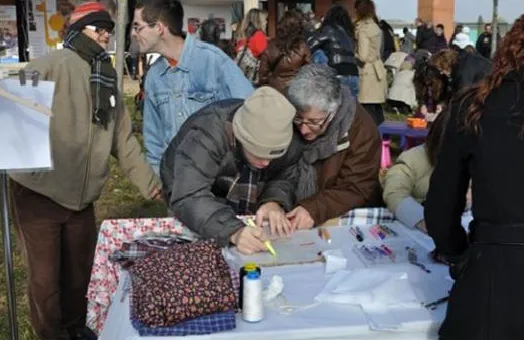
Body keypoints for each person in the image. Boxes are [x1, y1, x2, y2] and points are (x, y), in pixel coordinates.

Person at [8, 3, 162, 339]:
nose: (105, 35)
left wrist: (150, 184)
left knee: (79, 275)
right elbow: (8, 109)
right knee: (45, 281)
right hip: (39, 195)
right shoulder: (51, 65)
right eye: (97, 28)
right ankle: (51, 335)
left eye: (108, 30)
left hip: (81, 199)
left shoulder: (106, 79)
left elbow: (123, 141)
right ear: (78, 31)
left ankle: (76, 330)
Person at [425, 7, 524, 340]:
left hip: (493, 284)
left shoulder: (475, 107)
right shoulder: (473, 106)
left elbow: (440, 208)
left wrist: (461, 256)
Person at [160, 87, 301, 254]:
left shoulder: (284, 131)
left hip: (239, 189)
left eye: (272, 157)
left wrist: (274, 201)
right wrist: (233, 231)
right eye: (258, 153)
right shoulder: (208, 132)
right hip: (185, 186)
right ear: (241, 137)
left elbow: (286, 173)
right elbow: (188, 196)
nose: (266, 162)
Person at [132, 0, 253, 175]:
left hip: (217, 184)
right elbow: (154, 140)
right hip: (178, 187)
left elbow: (250, 111)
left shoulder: (213, 61)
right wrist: (163, 180)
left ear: (159, 28)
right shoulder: (154, 77)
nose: (134, 34)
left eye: (138, 27)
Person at [285, 65, 382, 230]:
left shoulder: (361, 129)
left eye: (314, 122)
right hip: (290, 215)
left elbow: (356, 187)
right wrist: (274, 202)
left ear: (333, 111)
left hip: (340, 219)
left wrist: (313, 209)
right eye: (298, 119)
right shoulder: (285, 110)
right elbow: (277, 172)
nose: (304, 129)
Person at [307, 5, 359, 97]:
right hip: (354, 74)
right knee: (350, 109)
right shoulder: (349, 34)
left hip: (337, 73)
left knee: (335, 109)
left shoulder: (329, 29)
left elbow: (310, 45)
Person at [259, 9, 311, 94]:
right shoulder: (302, 47)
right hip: (296, 91)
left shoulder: (270, 46)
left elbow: (262, 76)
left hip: (275, 91)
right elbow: (309, 71)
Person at [354, 0, 387, 125]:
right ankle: (383, 139)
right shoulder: (375, 26)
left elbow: (362, 56)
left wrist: (352, 54)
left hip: (366, 72)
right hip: (377, 69)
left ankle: (371, 140)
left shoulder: (362, 29)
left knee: (367, 111)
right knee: (377, 108)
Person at [235, 8, 269, 84]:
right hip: (253, 79)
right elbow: (265, 59)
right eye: (264, 20)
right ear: (258, 21)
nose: (266, 22)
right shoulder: (259, 35)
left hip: (242, 77)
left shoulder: (242, 36)